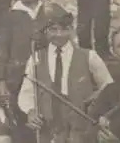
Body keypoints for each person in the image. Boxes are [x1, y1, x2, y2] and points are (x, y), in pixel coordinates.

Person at [0, 0, 68, 142]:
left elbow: (67, 38)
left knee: (49, 114)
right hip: (18, 75)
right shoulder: (9, 15)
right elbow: (3, 48)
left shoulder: (53, 9)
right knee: (22, 119)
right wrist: (1, 80)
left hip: (48, 71)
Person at [17, 13, 113, 143]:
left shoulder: (89, 56)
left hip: (81, 131)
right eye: (53, 29)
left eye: (65, 29)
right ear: (45, 31)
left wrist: (96, 98)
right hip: (49, 131)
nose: (59, 34)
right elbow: (27, 91)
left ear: (72, 30)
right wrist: (31, 111)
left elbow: (109, 88)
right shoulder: (36, 58)